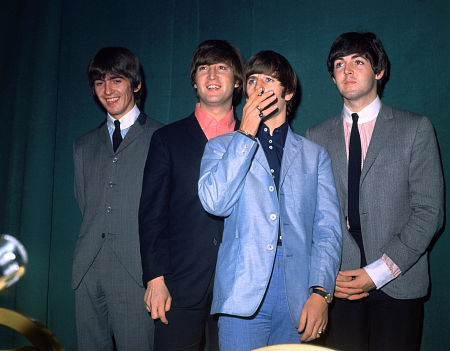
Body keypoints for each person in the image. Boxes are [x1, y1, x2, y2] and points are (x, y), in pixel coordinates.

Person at [306, 32, 444, 351]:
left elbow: (429, 212)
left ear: (379, 71)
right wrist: (323, 278)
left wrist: (378, 272)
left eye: (358, 61)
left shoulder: (415, 128)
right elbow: (311, 216)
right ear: (332, 76)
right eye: (339, 64)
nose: (348, 70)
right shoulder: (315, 136)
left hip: (398, 283)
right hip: (338, 288)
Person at [197, 50, 342, 350]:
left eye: (268, 79)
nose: (259, 86)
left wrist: (321, 292)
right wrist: (246, 133)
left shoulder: (315, 156)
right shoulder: (220, 147)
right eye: (251, 80)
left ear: (288, 92)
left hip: (299, 295)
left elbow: (327, 231)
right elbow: (214, 202)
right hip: (241, 294)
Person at [138, 39, 244, 351]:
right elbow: (151, 215)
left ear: (238, 82)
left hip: (240, 288)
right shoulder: (166, 140)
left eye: (221, 67)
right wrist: (154, 279)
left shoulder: (253, 140)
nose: (212, 75)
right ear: (194, 83)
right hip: (177, 287)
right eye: (203, 68)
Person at [72, 47, 163, 350]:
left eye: (116, 80)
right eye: (99, 83)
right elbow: (85, 202)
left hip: (137, 273)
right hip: (87, 272)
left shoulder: (162, 138)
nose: (107, 91)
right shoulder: (83, 146)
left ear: (136, 84)